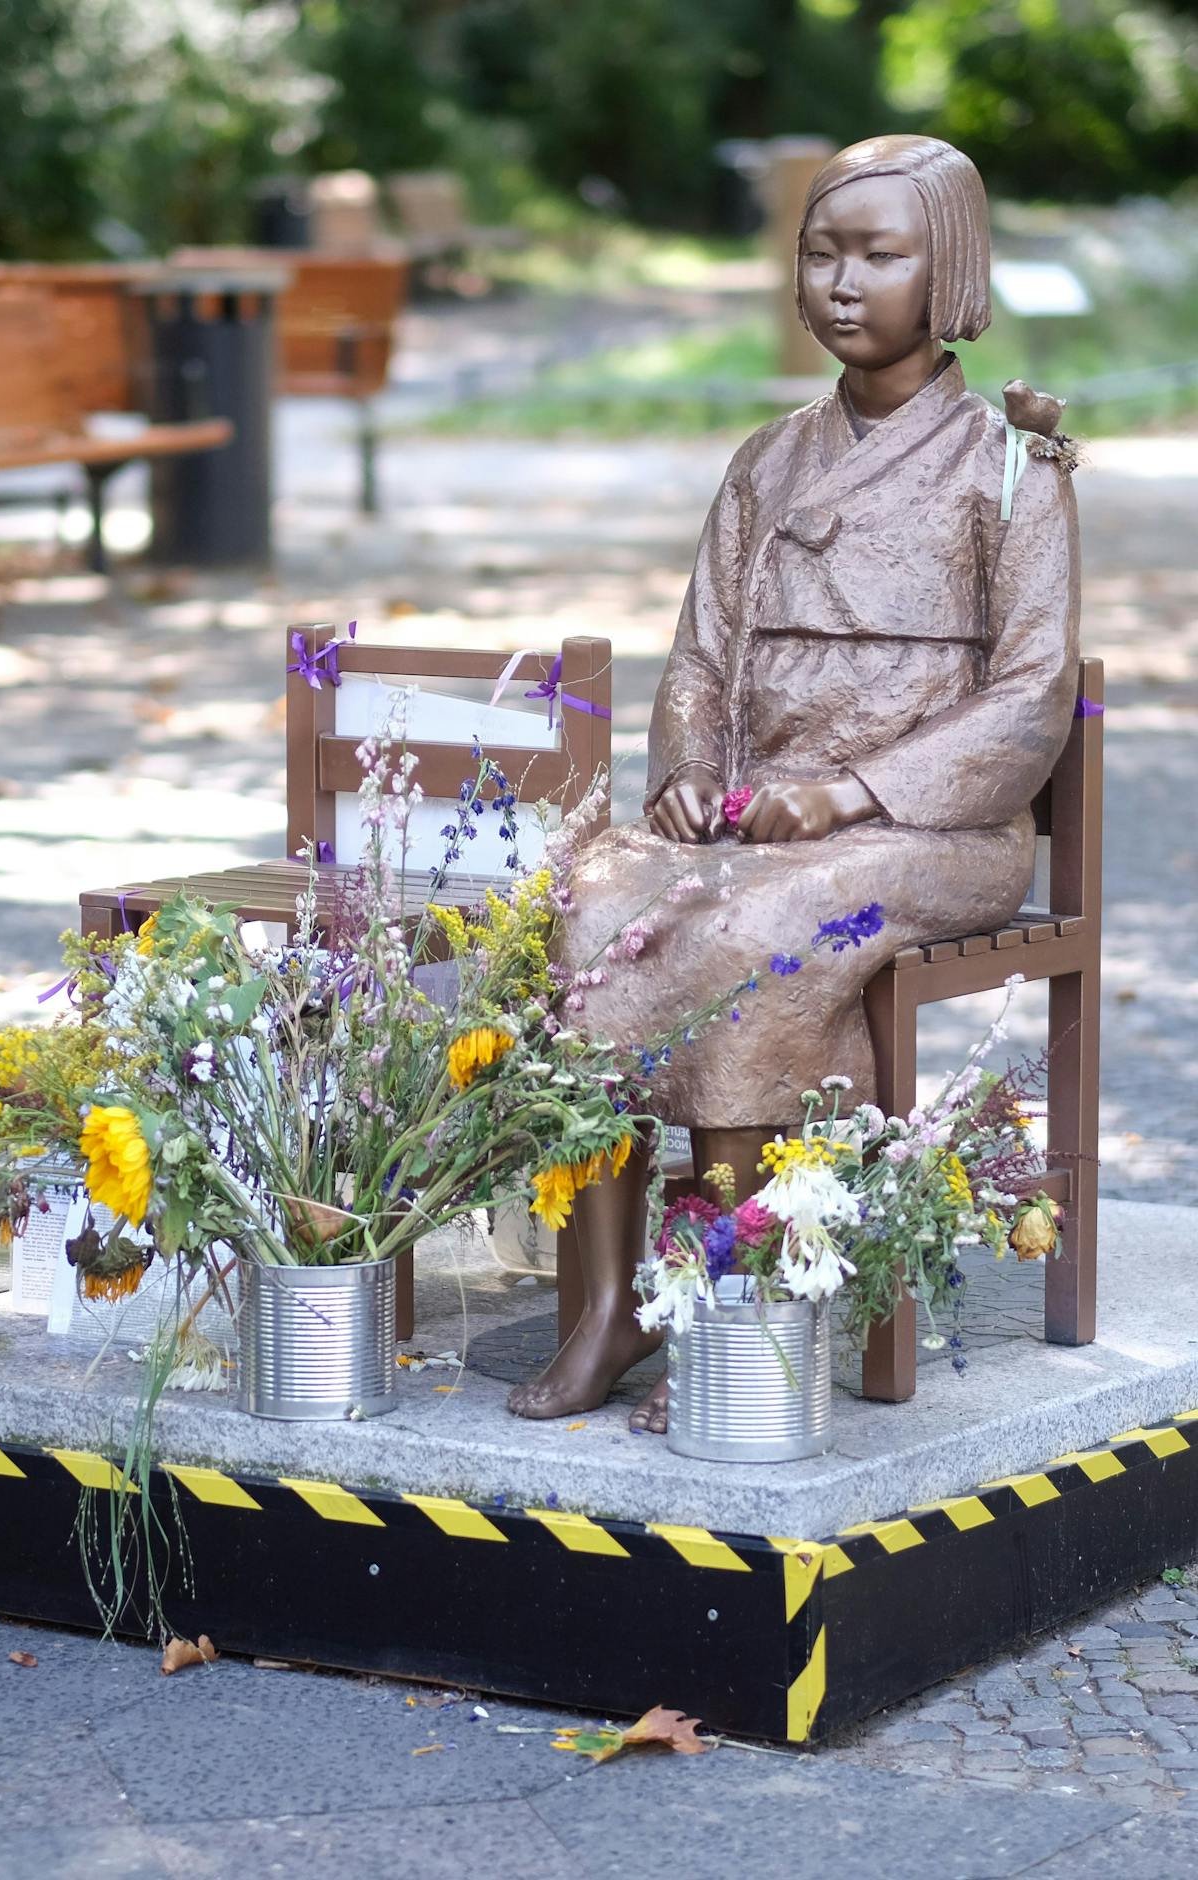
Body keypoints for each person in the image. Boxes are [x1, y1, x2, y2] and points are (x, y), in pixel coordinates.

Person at [509, 135, 1080, 1426]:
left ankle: (733, 1302)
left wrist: (851, 794)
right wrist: (690, 774)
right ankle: (608, 1306)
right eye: (821, 253)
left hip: (932, 833)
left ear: (953, 270)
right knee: (592, 902)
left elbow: (1032, 697)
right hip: (757, 815)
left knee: (762, 934)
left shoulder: (1012, 469)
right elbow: (704, 649)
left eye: (881, 255)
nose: (842, 281)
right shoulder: (768, 458)